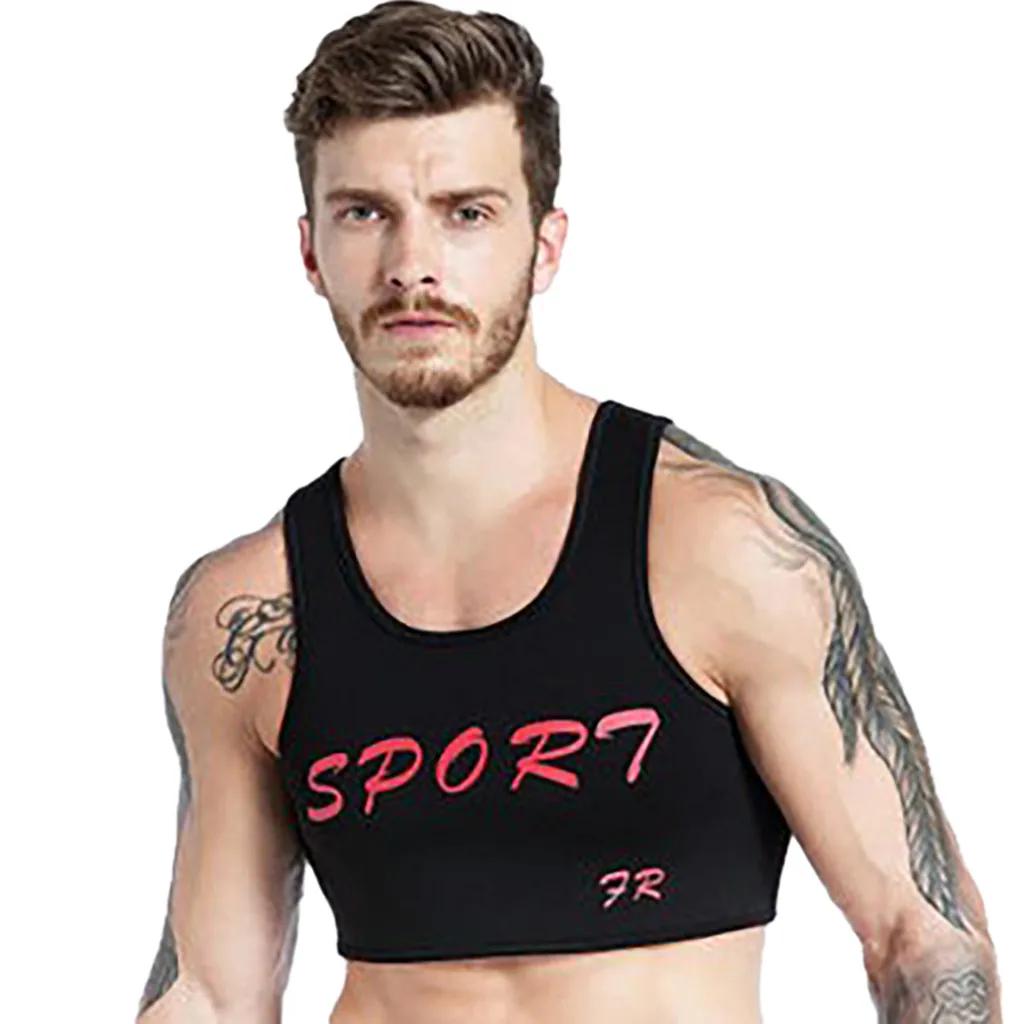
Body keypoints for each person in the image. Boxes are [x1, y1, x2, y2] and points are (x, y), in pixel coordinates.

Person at [135, 2, 1002, 1021]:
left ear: (545, 247)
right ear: (311, 251)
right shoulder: (245, 614)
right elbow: (209, 993)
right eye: (365, 212)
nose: (413, 265)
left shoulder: (719, 544)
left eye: (466, 213)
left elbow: (922, 941)